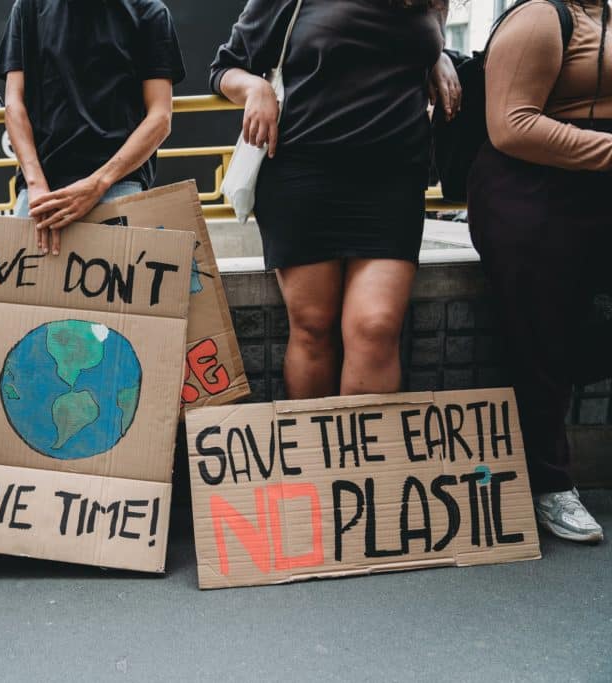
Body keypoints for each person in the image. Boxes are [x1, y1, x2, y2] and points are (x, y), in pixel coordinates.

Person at [210, 0, 459, 400]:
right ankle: (312, 460)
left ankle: (366, 463)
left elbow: (413, 44)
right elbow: (225, 67)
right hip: (303, 174)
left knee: (376, 327)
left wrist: (439, 57)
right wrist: (254, 87)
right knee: (312, 327)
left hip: (393, 180)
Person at [468, 0, 610, 543]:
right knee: (539, 335)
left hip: (595, 186)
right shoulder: (540, 18)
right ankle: (551, 486)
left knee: (561, 337)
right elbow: (511, 127)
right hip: (530, 193)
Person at [0, 0, 186, 255]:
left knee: (123, 294)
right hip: (43, 188)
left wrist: (98, 183)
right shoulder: (28, 7)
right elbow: (13, 105)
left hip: (117, 183)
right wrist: (35, 183)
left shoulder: (149, 11)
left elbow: (160, 117)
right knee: (6, 293)